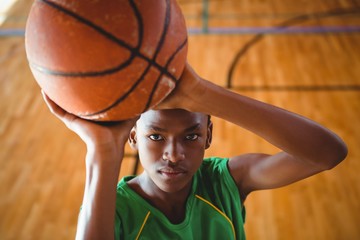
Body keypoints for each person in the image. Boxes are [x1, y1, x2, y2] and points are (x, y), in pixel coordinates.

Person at [42, 63, 347, 240]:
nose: (173, 154)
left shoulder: (226, 182)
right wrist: (102, 150)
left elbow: (328, 153)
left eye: (191, 136)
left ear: (208, 136)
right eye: (155, 136)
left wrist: (204, 94)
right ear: (132, 137)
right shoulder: (113, 209)